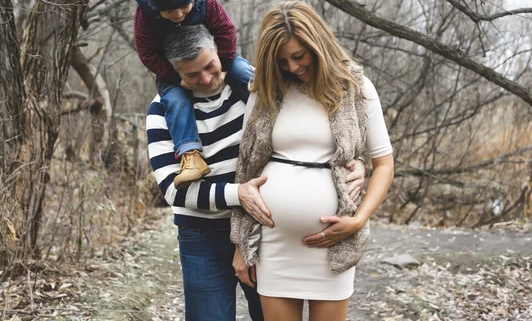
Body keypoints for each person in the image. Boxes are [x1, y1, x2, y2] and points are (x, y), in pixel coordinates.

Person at [146, 24, 367, 321]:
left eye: (210, 66)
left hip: (260, 229)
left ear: (218, 51)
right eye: (192, 75)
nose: (207, 78)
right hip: (201, 233)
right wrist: (239, 194)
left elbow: (301, 139)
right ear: (175, 72)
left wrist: (353, 162)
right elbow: (172, 189)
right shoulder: (162, 110)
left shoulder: (253, 89)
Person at [231, 1, 394, 321]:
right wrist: (241, 245)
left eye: (298, 56)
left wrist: (358, 220)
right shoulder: (264, 91)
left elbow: (385, 165)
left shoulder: (354, 87)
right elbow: (246, 170)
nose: (292, 67)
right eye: (281, 61)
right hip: (273, 244)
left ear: (317, 45)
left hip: (332, 246)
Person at [130, 0, 253, 188]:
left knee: (243, 74)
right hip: (173, 68)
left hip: (217, 54)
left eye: (184, 8)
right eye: (169, 13)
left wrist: (226, 62)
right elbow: (147, 53)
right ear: (154, 8)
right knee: (175, 100)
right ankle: (190, 155)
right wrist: (177, 79)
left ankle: (271, 110)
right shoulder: (144, 16)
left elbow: (226, 30)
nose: (178, 16)